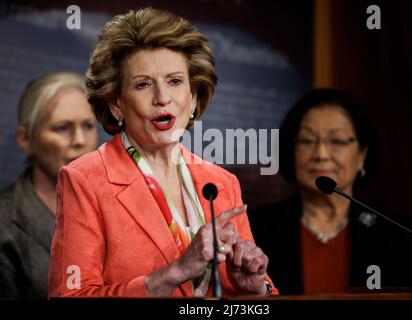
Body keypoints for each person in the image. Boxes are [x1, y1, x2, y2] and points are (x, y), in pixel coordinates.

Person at [48, 7, 277, 298]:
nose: (162, 98)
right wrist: (174, 273)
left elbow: (260, 296)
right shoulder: (85, 180)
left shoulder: (222, 184)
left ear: (193, 97)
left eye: (175, 81)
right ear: (116, 103)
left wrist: (255, 289)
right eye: (143, 84)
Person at [249, 88, 412, 295]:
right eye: (307, 141)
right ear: (290, 150)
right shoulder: (254, 230)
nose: (321, 154)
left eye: (337, 141)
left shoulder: (399, 236)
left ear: (362, 155)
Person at [0, 72, 98, 299]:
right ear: (26, 139)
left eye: (88, 126)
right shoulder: (5, 225)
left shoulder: (117, 205)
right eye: (62, 128)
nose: (79, 140)